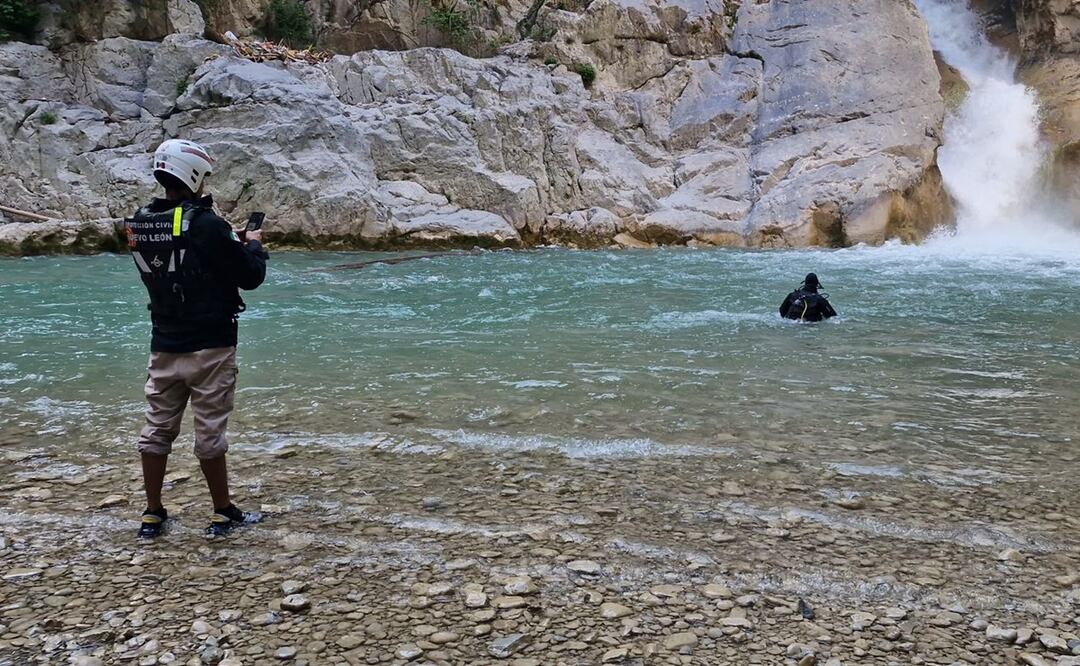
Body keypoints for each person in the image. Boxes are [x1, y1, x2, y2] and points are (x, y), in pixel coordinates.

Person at [125, 139, 269, 538]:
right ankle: (223, 511)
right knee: (210, 431)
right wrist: (253, 246)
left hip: (164, 344)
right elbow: (249, 277)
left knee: (156, 429)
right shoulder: (205, 224)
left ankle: (153, 513)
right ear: (192, 174)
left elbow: (180, 254)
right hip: (211, 345)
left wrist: (226, 239)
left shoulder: (140, 221)